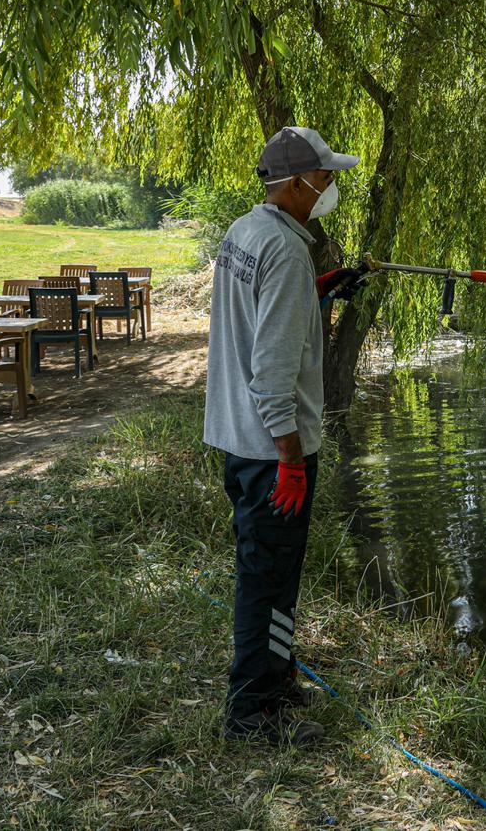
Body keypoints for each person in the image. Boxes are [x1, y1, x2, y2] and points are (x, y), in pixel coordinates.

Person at [203, 126, 368, 745]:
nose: (329, 185)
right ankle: (251, 715)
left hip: (237, 443)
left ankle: (277, 677)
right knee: (266, 580)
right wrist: (291, 459)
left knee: (271, 572)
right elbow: (270, 372)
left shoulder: (246, 233)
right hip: (271, 452)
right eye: (323, 176)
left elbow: (258, 318)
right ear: (295, 184)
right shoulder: (289, 252)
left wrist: (320, 293)